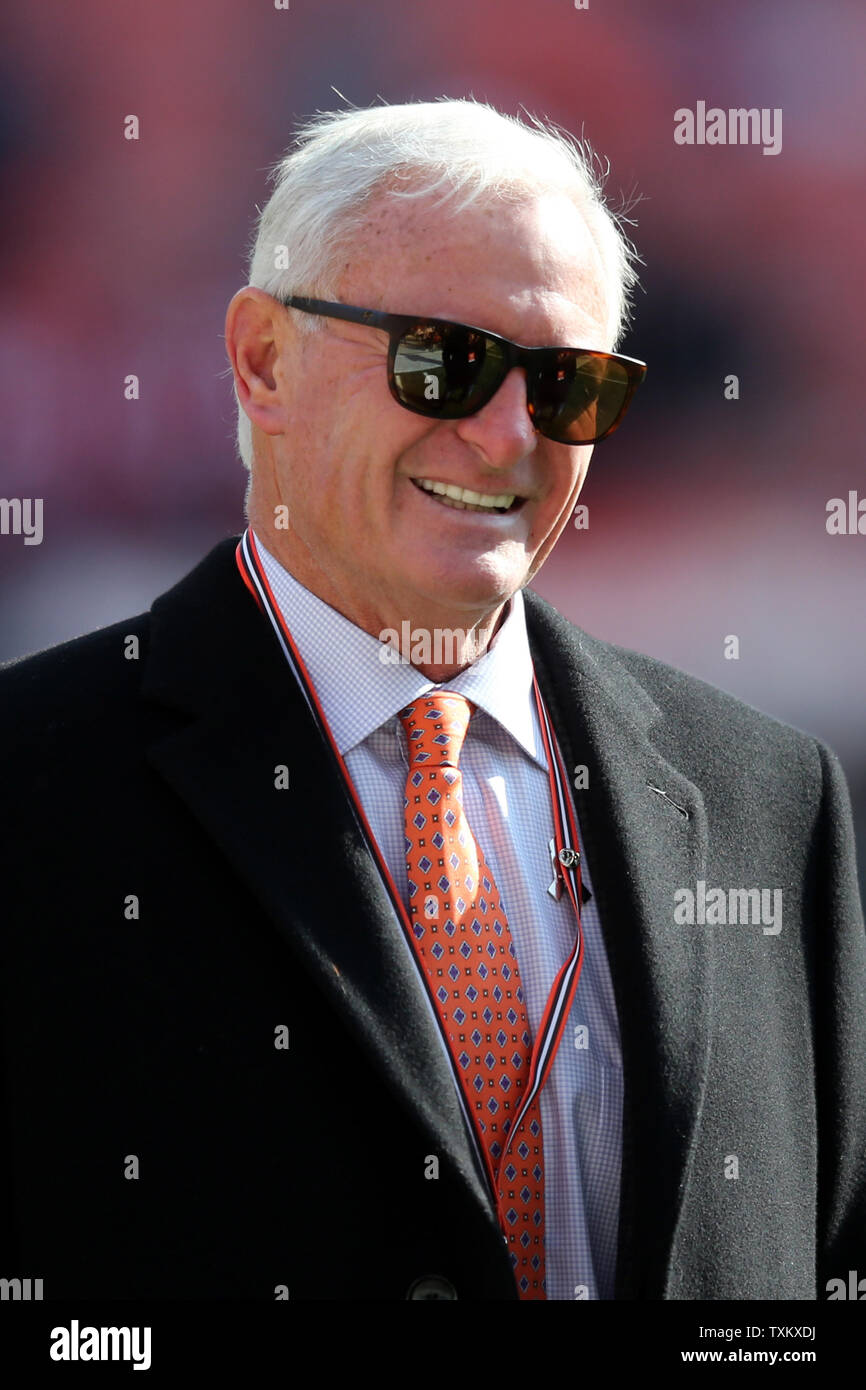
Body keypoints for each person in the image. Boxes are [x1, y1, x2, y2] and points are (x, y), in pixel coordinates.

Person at [1, 100, 864, 1303]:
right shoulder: (32, 785)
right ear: (262, 362)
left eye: (567, 386)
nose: (507, 433)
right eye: (443, 363)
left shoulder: (769, 802)